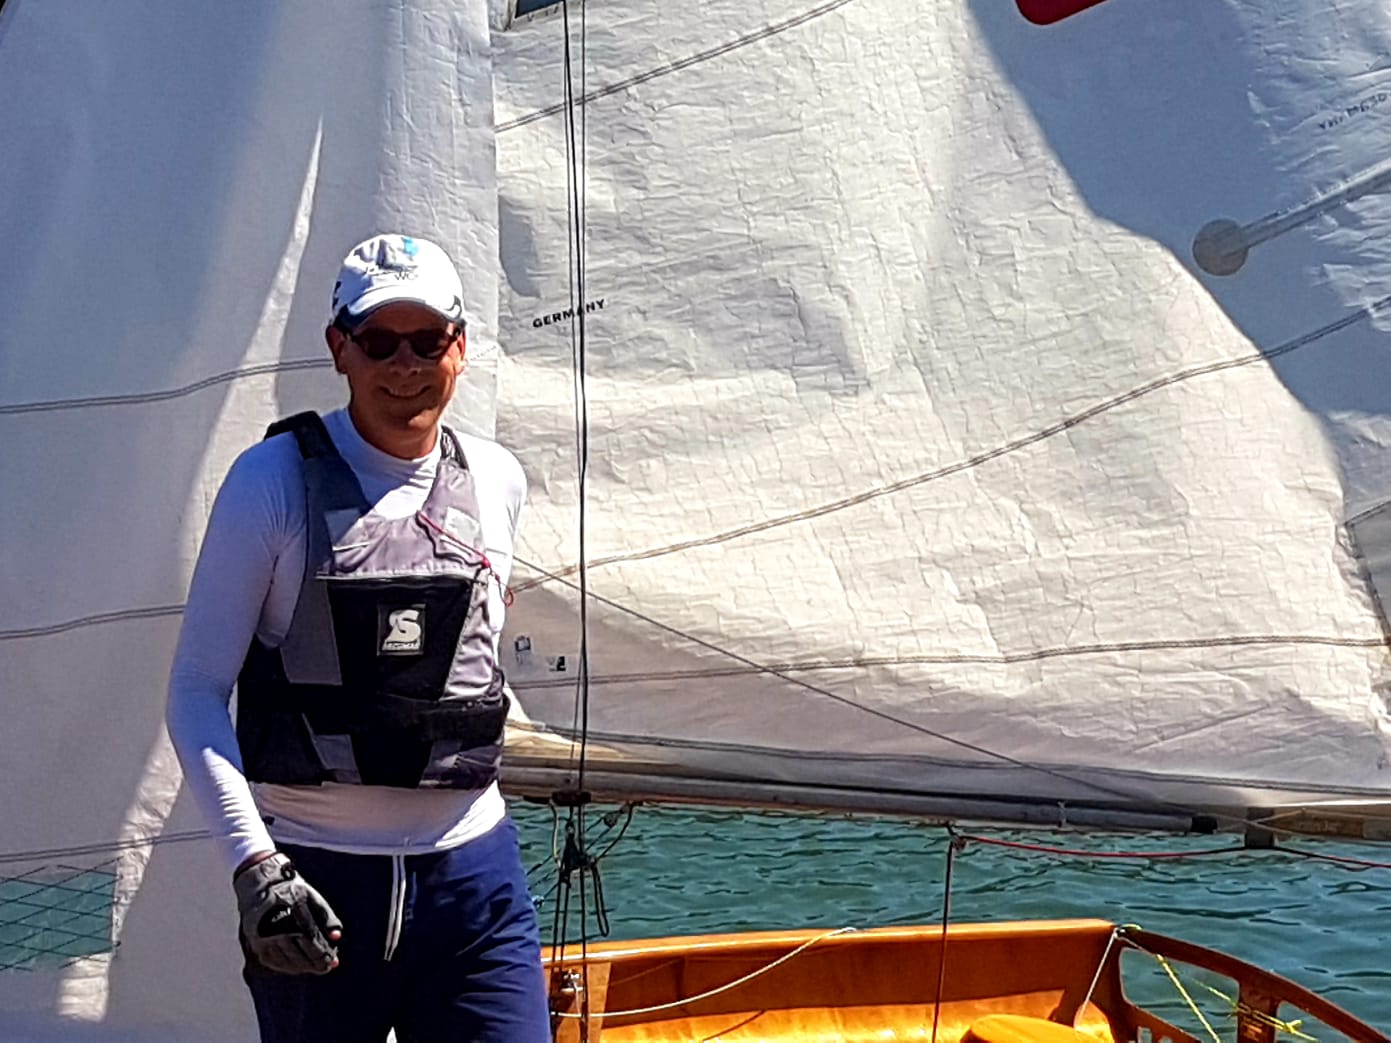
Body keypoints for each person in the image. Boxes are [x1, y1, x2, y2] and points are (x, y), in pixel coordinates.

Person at [166, 233, 551, 1042]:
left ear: (460, 346)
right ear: (339, 347)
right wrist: (255, 869)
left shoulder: (498, 479)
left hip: (472, 884)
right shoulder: (270, 483)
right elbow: (196, 691)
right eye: (379, 341)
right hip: (312, 884)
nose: (405, 364)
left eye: (427, 340)